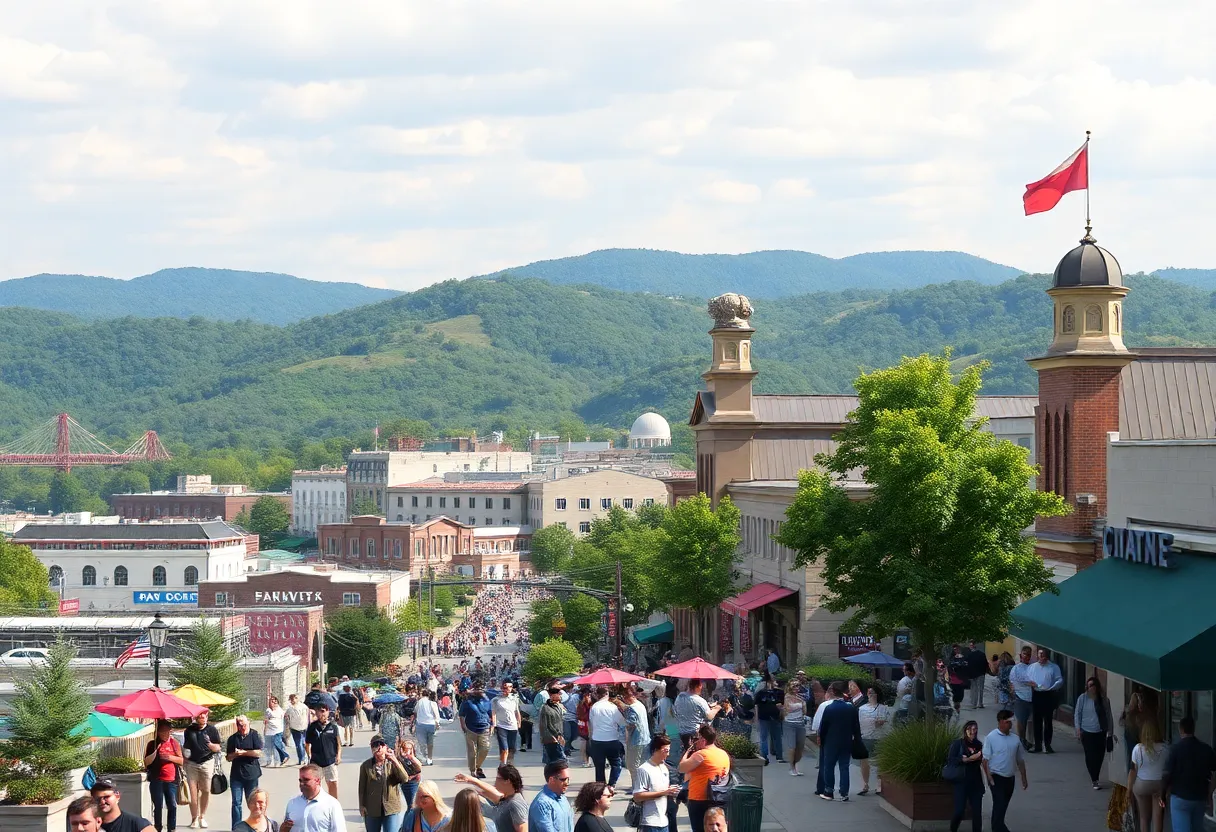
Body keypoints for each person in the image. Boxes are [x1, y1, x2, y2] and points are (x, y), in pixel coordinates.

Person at [1161, 715, 1216, 832]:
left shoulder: (1175, 749)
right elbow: (1214, 773)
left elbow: (1167, 774)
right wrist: (1209, 793)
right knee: (1197, 828)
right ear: (1193, 729)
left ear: (1181, 730)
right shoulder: (1206, 749)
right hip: (1199, 797)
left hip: (1179, 797)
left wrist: (1163, 794)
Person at [981, 710, 1028, 832]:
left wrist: (1024, 778)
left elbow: (1020, 760)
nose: (1010, 725)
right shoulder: (991, 737)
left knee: (1001, 806)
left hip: (1009, 778)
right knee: (1000, 804)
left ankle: (996, 826)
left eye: (1011, 722)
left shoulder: (1015, 739)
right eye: (1007, 722)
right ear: (1001, 722)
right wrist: (989, 778)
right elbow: (984, 760)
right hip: (996, 777)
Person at [678, 724, 730, 832]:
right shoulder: (723, 754)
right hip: (718, 798)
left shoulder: (701, 755)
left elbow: (681, 768)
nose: (696, 741)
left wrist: (688, 750)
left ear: (703, 739)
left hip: (699, 799)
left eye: (697, 738)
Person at [817, 680, 860, 802]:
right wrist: (856, 739)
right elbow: (856, 726)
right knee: (844, 766)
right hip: (846, 741)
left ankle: (829, 791)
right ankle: (844, 792)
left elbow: (823, 726)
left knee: (829, 766)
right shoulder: (851, 708)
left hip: (831, 741)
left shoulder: (829, 708)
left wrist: (822, 738)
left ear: (833, 692)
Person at [358, 735, 411, 832]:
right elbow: (362, 788)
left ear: (386, 747)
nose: (378, 747)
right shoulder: (365, 766)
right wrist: (361, 805)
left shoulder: (392, 763)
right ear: (371, 749)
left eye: (381, 744)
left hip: (391, 808)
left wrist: (394, 760)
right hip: (372, 809)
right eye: (375, 745)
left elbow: (405, 778)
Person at [453, 764, 528, 832]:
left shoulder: (515, 804)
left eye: (498, 779)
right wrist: (472, 780)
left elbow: (523, 829)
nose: (495, 782)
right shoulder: (507, 798)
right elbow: (490, 791)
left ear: (507, 781)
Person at [182, 709, 222, 829]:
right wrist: (185, 755)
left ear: (207, 716)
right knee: (193, 793)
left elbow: (218, 747)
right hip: (192, 763)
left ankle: (202, 816)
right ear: (196, 717)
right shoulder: (189, 730)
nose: (202, 717)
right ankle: (194, 818)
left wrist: (210, 745)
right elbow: (186, 746)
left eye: (204, 715)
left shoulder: (212, 730)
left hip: (207, 762)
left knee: (205, 790)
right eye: (200, 715)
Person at [1073, 675, 1114, 789]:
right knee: (1090, 756)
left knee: (1099, 756)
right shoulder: (1082, 698)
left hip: (1100, 731)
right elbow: (1077, 713)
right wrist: (1078, 729)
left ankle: (1096, 775)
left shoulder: (1104, 700)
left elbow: (1108, 716)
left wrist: (1110, 732)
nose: (1092, 688)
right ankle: (1094, 779)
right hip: (1087, 731)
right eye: (1089, 686)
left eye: (1093, 685)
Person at [143, 720, 184, 832]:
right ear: (158, 732)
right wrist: (156, 751)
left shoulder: (174, 743)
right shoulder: (152, 744)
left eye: (167, 731)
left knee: (172, 805)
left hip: (171, 779)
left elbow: (181, 761)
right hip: (156, 779)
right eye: (162, 732)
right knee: (158, 806)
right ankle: (158, 827)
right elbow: (146, 762)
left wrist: (170, 758)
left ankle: (172, 828)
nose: (165, 734)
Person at [633, 735, 679, 832]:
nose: (668, 754)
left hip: (664, 822)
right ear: (655, 750)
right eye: (665, 751)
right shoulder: (644, 769)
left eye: (669, 750)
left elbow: (664, 790)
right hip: (649, 823)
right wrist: (664, 792)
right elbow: (637, 796)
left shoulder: (664, 768)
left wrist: (672, 790)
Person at [227, 715, 265, 832]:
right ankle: (236, 828)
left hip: (251, 774)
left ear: (248, 723)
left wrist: (244, 753)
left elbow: (259, 753)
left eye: (244, 724)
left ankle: (254, 826)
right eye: (239, 725)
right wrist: (235, 754)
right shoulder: (233, 738)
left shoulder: (254, 735)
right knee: (236, 803)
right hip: (236, 775)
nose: (242, 727)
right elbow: (228, 757)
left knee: (253, 802)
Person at [1128, 719, 1167, 832]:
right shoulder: (1166, 749)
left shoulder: (1137, 749)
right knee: (1158, 816)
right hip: (1160, 786)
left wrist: (1129, 790)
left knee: (1144, 818)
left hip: (1142, 785)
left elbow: (1133, 771)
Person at [282, 764, 346, 832]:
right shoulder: (292, 803)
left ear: (317, 781)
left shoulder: (332, 805)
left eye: (306, 780)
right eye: (300, 780)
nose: (301, 784)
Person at [947, 720, 985, 832]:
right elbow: (951, 760)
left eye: (975, 729)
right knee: (959, 811)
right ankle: (953, 829)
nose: (973, 732)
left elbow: (981, 761)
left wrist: (978, 758)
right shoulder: (957, 744)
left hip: (975, 783)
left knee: (977, 813)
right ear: (965, 730)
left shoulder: (979, 745)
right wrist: (966, 759)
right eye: (970, 729)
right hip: (961, 783)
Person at [1026, 648, 1063, 753]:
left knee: (1048, 721)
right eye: (1040, 654)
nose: (1042, 657)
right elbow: (1027, 680)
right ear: (1037, 655)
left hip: (1048, 694)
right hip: (1036, 694)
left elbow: (1059, 680)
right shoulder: (1032, 667)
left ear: (1047, 656)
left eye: (1044, 655)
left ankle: (1047, 745)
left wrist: (1053, 687)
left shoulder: (1053, 667)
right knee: (1036, 721)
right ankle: (1037, 744)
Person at [587, 687, 625, 788]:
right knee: (616, 763)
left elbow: (591, 722)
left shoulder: (594, 707)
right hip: (611, 738)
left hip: (597, 739)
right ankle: (611, 784)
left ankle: (600, 787)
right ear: (607, 693)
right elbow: (621, 722)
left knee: (599, 767)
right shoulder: (612, 707)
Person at [856, 685, 889, 796]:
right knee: (864, 761)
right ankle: (865, 784)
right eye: (869, 692)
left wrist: (880, 722)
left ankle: (879, 785)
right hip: (865, 736)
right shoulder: (862, 708)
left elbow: (884, 720)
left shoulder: (883, 708)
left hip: (879, 737)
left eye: (873, 692)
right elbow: (859, 722)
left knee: (880, 761)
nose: (870, 694)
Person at [305, 704, 343, 798]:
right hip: (316, 762)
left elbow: (338, 743)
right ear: (316, 713)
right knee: (314, 784)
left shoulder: (333, 726)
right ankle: (316, 803)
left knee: (333, 783)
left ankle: (334, 804)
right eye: (320, 711)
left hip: (330, 761)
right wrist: (309, 755)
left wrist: (338, 756)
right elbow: (307, 744)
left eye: (324, 711)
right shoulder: (312, 727)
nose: (322, 713)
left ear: (328, 712)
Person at [674, 680, 724, 752]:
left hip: (681, 731)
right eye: (701, 686)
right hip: (694, 733)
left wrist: (708, 706)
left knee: (686, 752)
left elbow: (689, 709)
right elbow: (709, 717)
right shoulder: (699, 700)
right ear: (698, 686)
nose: (702, 688)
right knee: (694, 754)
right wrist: (717, 708)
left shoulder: (679, 697)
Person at [460, 682, 495, 779]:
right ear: (473, 690)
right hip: (471, 729)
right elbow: (461, 714)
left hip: (484, 728)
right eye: (477, 688)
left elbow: (491, 714)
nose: (479, 691)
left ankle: (477, 766)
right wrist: (463, 726)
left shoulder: (487, 701)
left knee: (485, 748)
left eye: (481, 688)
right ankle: (473, 771)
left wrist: (492, 725)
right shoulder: (467, 701)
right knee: (472, 752)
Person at [529, 761, 575, 832]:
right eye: (563, 780)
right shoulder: (542, 804)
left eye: (568, 779)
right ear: (551, 780)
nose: (567, 783)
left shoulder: (563, 798)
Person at [621, 685, 651, 793]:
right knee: (641, 764)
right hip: (644, 739)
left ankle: (637, 787)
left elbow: (631, 723)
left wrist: (622, 723)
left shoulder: (631, 708)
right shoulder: (640, 705)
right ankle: (638, 785)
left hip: (636, 739)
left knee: (632, 765)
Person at [1007, 647, 1035, 750]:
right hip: (1021, 697)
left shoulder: (1033, 667)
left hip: (1033, 698)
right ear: (1020, 655)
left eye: (1029, 654)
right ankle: (1022, 740)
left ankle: (1031, 741)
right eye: (1025, 654)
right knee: (1021, 720)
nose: (1027, 656)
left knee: (1031, 721)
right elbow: (1014, 681)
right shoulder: (1017, 668)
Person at [753, 675, 784, 765]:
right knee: (764, 737)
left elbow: (783, 704)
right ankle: (764, 756)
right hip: (763, 717)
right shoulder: (761, 693)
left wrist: (781, 711)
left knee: (777, 737)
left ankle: (779, 756)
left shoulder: (779, 692)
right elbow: (756, 705)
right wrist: (756, 717)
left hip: (775, 717)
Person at [492, 681, 522, 765]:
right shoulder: (496, 700)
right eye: (505, 687)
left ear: (512, 688)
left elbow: (517, 712)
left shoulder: (514, 699)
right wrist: (494, 724)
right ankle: (503, 765)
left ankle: (509, 763)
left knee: (512, 748)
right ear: (502, 688)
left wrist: (519, 722)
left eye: (509, 687)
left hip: (513, 726)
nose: (507, 689)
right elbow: (493, 712)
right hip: (501, 726)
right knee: (504, 748)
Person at [781, 680, 806, 777]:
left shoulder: (800, 697)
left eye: (798, 686)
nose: (796, 688)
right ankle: (791, 767)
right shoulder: (786, 697)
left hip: (800, 723)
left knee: (800, 748)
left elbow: (804, 711)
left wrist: (802, 704)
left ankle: (795, 765)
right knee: (792, 747)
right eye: (794, 686)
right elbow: (788, 708)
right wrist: (800, 704)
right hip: (789, 724)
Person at [1121, 692, 1150, 772]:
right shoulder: (1134, 712)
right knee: (1135, 755)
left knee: (1131, 755)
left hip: (1130, 734)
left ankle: (1131, 773)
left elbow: (1121, 721)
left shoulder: (1128, 710)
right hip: (1134, 734)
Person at [539, 687, 567, 764]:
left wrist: (560, 735)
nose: (561, 696)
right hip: (551, 738)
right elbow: (544, 725)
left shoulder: (558, 706)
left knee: (559, 761)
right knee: (555, 761)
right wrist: (551, 738)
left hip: (559, 736)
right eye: (559, 694)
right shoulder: (546, 708)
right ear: (552, 695)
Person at [415, 690, 441, 766]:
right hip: (431, 724)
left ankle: (423, 758)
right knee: (430, 744)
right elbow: (437, 715)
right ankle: (429, 759)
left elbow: (415, 711)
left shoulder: (419, 702)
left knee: (422, 743)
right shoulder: (433, 703)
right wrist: (437, 723)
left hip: (420, 724)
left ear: (422, 694)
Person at [286, 694, 312, 766]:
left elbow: (308, 716)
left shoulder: (298, 707)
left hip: (300, 727)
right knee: (301, 743)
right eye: (291, 699)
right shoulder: (292, 708)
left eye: (293, 699)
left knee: (300, 744)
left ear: (297, 699)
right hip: (298, 727)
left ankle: (302, 758)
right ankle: (304, 758)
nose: (292, 701)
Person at [265, 696, 291, 768]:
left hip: (278, 730)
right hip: (270, 731)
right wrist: (265, 730)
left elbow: (284, 718)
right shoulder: (268, 710)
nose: (272, 703)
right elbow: (266, 721)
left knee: (276, 744)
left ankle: (282, 758)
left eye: (274, 702)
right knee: (270, 746)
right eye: (271, 701)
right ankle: (272, 761)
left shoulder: (280, 710)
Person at [397, 739, 424, 809]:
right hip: (404, 782)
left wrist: (411, 757)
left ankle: (411, 817)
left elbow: (419, 767)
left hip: (413, 782)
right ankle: (410, 816)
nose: (408, 750)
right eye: (406, 748)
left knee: (412, 803)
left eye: (410, 749)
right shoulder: (400, 758)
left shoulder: (414, 757)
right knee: (410, 803)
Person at [966, 640, 989, 710]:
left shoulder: (969, 656)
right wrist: (984, 672)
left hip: (973, 675)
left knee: (974, 689)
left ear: (972, 646)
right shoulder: (982, 654)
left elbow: (967, 666)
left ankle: (974, 704)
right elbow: (986, 664)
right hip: (981, 674)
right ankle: (980, 703)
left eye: (970, 645)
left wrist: (968, 675)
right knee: (981, 689)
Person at [947, 646, 969, 716]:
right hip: (953, 681)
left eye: (957, 649)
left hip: (960, 681)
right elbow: (949, 669)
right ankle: (955, 709)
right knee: (955, 696)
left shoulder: (963, 659)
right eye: (955, 650)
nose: (956, 651)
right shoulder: (951, 660)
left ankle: (957, 708)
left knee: (959, 697)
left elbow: (965, 668)